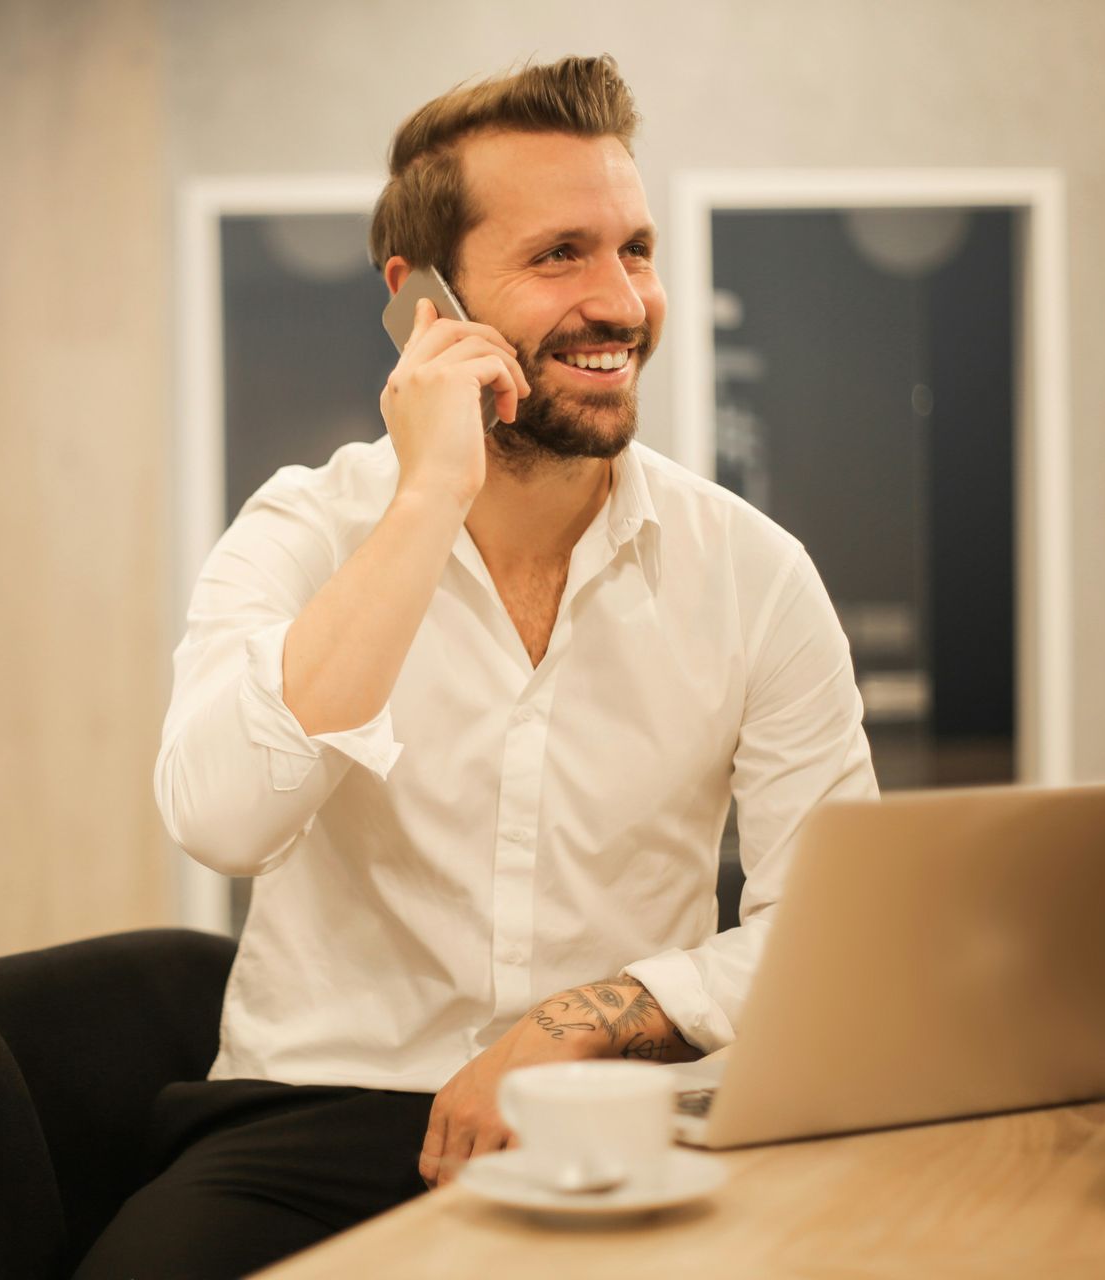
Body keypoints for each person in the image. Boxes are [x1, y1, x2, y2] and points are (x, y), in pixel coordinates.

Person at [78, 53, 877, 1279]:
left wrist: (579, 1020)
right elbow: (223, 818)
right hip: (314, 1115)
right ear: (424, 301)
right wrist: (428, 497)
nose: (621, 301)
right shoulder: (302, 529)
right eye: (560, 255)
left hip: (621, 1111)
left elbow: (829, 928)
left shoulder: (755, 574)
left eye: (637, 250)